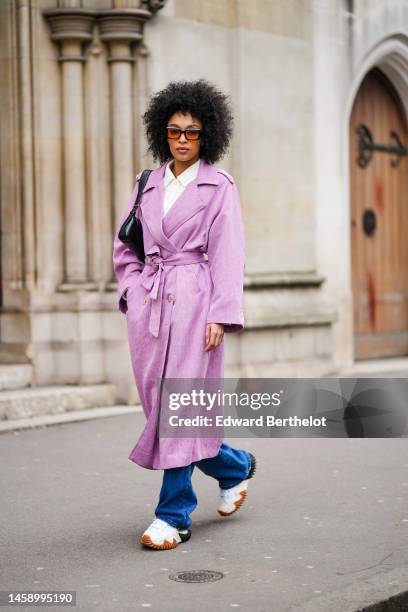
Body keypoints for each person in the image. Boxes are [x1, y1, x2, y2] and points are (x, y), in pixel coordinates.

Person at [112, 78, 256, 550]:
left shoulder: (219, 186)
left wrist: (221, 314)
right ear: (162, 132)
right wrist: (133, 291)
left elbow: (229, 253)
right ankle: (234, 466)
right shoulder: (145, 182)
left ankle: (173, 515)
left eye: (192, 132)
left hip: (197, 304)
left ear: (207, 135)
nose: (182, 139)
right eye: (174, 130)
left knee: (180, 409)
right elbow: (126, 246)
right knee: (163, 407)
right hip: (150, 306)